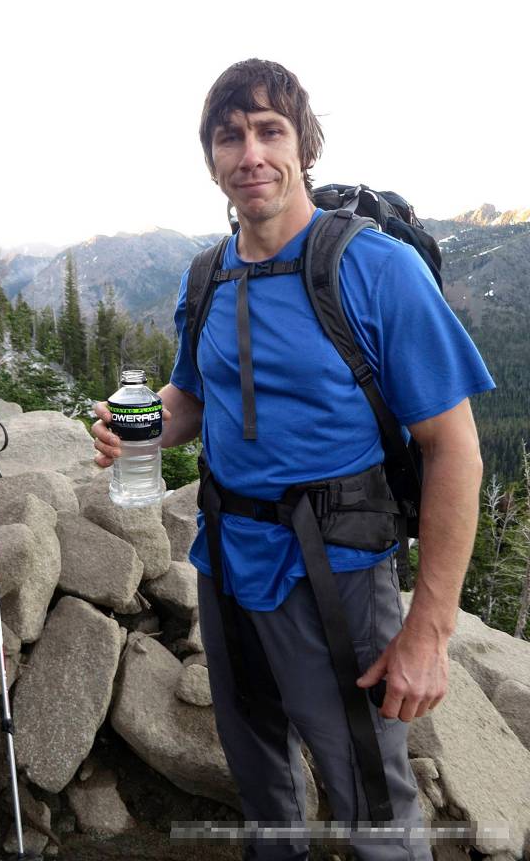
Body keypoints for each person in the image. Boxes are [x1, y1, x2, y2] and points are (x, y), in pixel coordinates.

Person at [92, 59, 494, 860]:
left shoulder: (377, 270)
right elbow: (193, 397)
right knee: (258, 774)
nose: (250, 154)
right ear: (211, 158)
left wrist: (429, 631)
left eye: (269, 131)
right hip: (226, 561)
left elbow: (454, 450)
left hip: (335, 572)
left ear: (303, 146)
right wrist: (135, 426)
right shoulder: (207, 275)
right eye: (229, 136)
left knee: (369, 795)